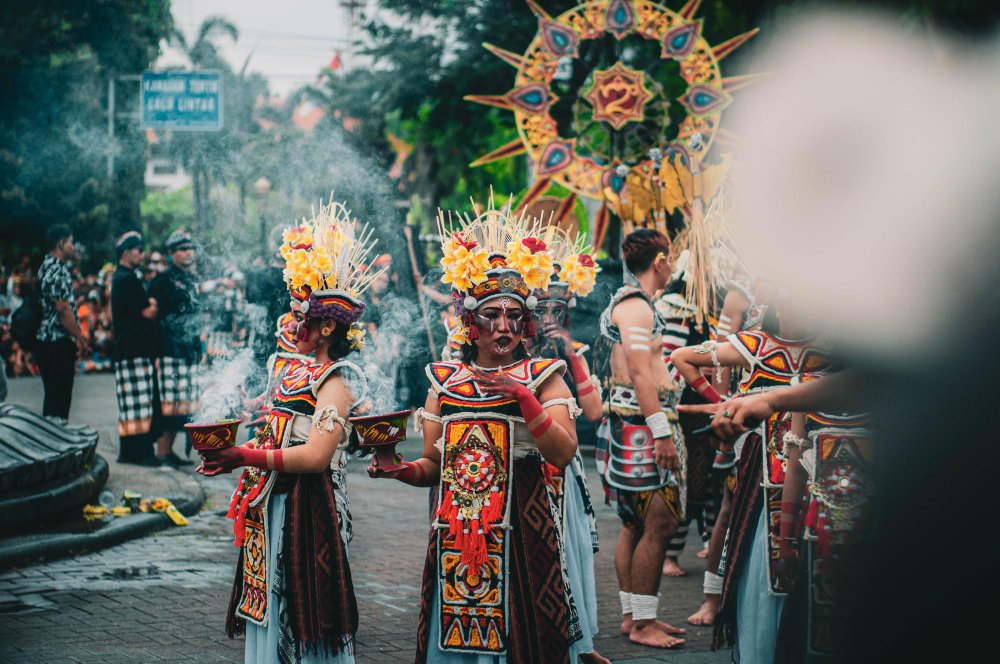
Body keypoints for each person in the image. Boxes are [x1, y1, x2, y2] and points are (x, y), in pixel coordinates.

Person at [369, 207, 582, 663]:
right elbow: (432, 466)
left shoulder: (544, 375)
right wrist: (398, 469)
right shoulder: (444, 382)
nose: (503, 326)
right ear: (470, 322)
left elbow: (563, 453)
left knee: (524, 635)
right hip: (456, 532)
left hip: (523, 526)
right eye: (491, 315)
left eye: (513, 315)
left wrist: (525, 399)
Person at [199, 203, 379, 663]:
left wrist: (244, 456)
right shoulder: (295, 372)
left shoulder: (335, 383)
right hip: (272, 507)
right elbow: (278, 433)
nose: (292, 324)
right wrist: (240, 441)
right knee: (271, 614)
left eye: (302, 317)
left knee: (304, 617)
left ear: (325, 327)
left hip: (308, 506)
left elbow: (316, 456)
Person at [670, 298, 832, 662]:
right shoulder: (754, 344)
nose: (795, 306)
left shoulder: (831, 348)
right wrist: (721, 402)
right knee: (749, 543)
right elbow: (682, 357)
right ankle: (718, 604)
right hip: (761, 466)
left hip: (815, 468)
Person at [591, 228, 687, 649]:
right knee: (659, 521)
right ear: (660, 261)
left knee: (636, 523)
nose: (673, 268)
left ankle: (638, 617)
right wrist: (661, 433)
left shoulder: (637, 304)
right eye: (671, 260)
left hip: (633, 425)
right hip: (638, 429)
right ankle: (642, 622)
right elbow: (638, 372)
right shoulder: (635, 307)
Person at [524, 227, 609, 664]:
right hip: (521, 468)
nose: (548, 316)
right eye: (541, 308)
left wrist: (569, 354)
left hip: (562, 467)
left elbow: (593, 413)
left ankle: (578, 643)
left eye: (557, 308)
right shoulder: (505, 352)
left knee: (568, 553)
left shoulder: (572, 350)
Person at [149, 229, 201, 466]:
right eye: (182, 249)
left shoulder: (190, 279)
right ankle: (162, 451)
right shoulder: (162, 280)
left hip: (188, 349)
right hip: (168, 349)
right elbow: (153, 319)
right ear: (171, 254)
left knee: (182, 406)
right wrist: (156, 352)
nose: (188, 252)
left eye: (190, 248)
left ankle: (170, 451)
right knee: (168, 404)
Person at [110, 231, 161, 464]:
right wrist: (152, 302)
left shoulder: (122, 276)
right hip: (134, 349)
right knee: (140, 402)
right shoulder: (128, 278)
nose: (142, 254)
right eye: (139, 250)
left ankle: (131, 452)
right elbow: (148, 311)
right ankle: (140, 453)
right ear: (127, 252)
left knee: (132, 403)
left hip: (128, 349)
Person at [36, 224, 90, 419]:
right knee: (59, 400)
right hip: (57, 342)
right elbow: (63, 309)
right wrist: (80, 338)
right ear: (61, 243)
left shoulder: (45, 266)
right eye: (70, 241)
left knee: (53, 398)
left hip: (46, 342)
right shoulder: (57, 269)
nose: (73, 246)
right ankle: (55, 443)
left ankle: (52, 441)